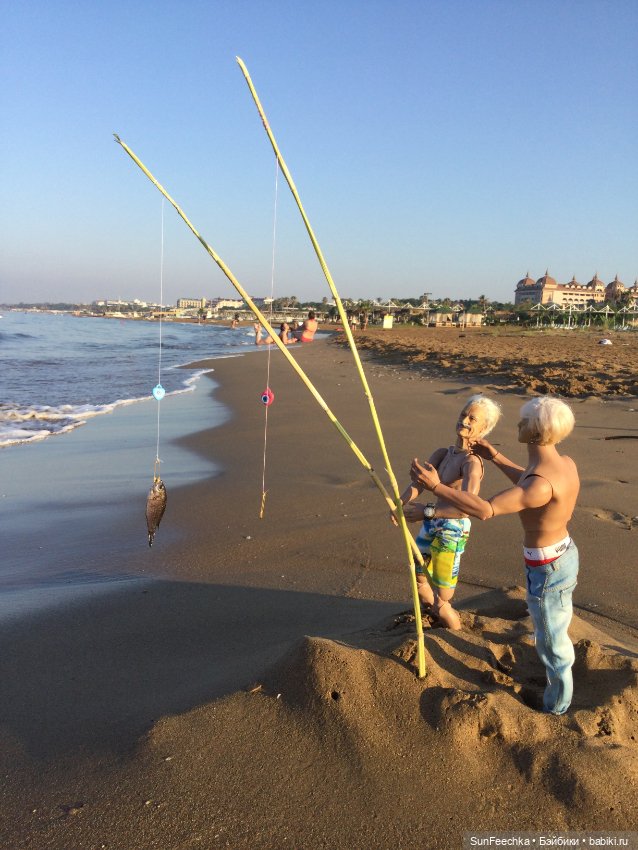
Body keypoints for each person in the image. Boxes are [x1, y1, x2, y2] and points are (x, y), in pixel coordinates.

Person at [410, 395, 580, 716]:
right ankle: (552, 656)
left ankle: (557, 706)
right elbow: (529, 480)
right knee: (550, 622)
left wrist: (436, 488)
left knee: (551, 640)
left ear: (536, 432)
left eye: (524, 421)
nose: (518, 424)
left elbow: (486, 510)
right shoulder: (563, 464)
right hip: (562, 554)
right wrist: (497, 456)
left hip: (548, 565)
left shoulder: (539, 484)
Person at [395, 395, 502, 630]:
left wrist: (427, 511)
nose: (465, 420)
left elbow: (467, 506)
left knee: (443, 594)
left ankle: (455, 631)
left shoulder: (472, 463)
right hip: (431, 523)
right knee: (419, 576)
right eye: (463, 414)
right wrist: (400, 503)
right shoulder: (443, 453)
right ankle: (434, 615)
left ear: (483, 429)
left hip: (451, 529)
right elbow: (420, 483)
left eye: (472, 418)